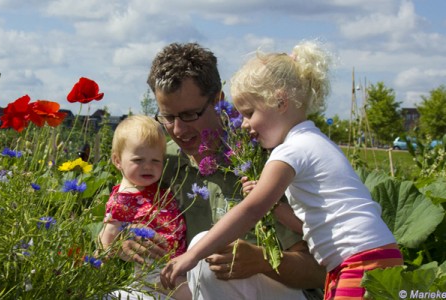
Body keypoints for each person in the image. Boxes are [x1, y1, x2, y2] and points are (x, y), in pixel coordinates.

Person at [160, 41, 403, 300]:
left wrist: (192, 256)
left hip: (357, 260)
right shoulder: (316, 141)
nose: (243, 125)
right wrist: (276, 206)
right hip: (371, 254)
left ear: (280, 102)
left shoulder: (289, 151)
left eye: (250, 113)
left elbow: (251, 209)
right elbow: (308, 225)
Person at [112, 42, 326, 300]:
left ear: (217, 100)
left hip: (279, 293)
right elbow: (116, 215)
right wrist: (124, 242)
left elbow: (320, 272)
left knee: (205, 256)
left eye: (190, 114)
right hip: (188, 291)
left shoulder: (266, 163)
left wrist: (262, 261)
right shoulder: (158, 162)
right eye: (168, 117)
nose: (178, 130)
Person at [99, 115, 191, 299]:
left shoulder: (154, 189)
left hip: (174, 262)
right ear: (117, 161)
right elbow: (106, 240)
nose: (148, 167)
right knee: (192, 293)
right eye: (138, 160)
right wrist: (100, 261)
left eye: (155, 161)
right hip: (150, 267)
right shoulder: (123, 199)